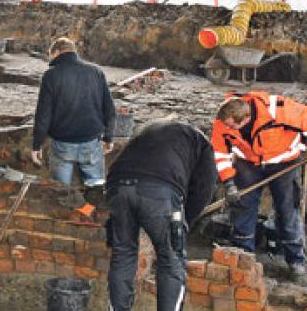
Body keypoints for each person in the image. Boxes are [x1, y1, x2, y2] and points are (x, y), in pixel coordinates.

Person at [211, 92, 307, 278]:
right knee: (243, 207)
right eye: (226, 125)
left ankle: (295, 260)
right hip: (247, 163)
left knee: (287, 209)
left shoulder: (278, 110)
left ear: (246, 119)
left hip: (284, 162)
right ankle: (243, 257)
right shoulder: (222, 122)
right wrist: (229, 182)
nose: (227, 128)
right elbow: (221, 154)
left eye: (232, 126)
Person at [106, 120, 217, 311]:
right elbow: (204, 189)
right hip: (159, 192)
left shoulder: (149, 130)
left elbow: (119, 161)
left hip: (117, 186)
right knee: (171, 260)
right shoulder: (201, 142)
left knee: (123, 254)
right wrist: (185, 221)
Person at [30, 37, 116, 187]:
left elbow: (43, 115)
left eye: (51, 55)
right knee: (96, 190)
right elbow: (109, 108)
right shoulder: (96, 71)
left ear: (56, 52)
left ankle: (68, 209)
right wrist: (109, 137)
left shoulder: (51, 75)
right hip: (91, 143)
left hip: (62, 144)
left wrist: (36, 145)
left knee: (62, 192)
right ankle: (93, 209)